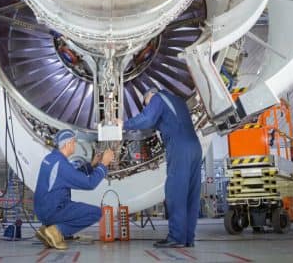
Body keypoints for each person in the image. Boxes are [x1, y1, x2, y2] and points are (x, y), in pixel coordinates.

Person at [120, 88, 202, 248]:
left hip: (180, 147)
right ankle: (188, 238)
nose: (147, 107)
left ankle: (176, 237)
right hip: (195, 147)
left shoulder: (158, 98)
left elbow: (147, 118)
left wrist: (124, 124)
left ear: (149, 95)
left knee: (175, 192)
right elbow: (164, 122)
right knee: (191, 195)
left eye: (146, 104)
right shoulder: (178, 101)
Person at [33, 129, 115, 250]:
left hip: (42, 210)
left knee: (71, 207)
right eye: (74, 142)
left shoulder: (51, 158)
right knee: (96, 213)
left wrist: (92, 165)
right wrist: (103, 165)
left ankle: (46, 229)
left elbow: (72, 175)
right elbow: (89, 183)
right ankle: (56, 231)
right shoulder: (61, 164)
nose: (75, 144)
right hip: (53, 210)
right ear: (68, 144)